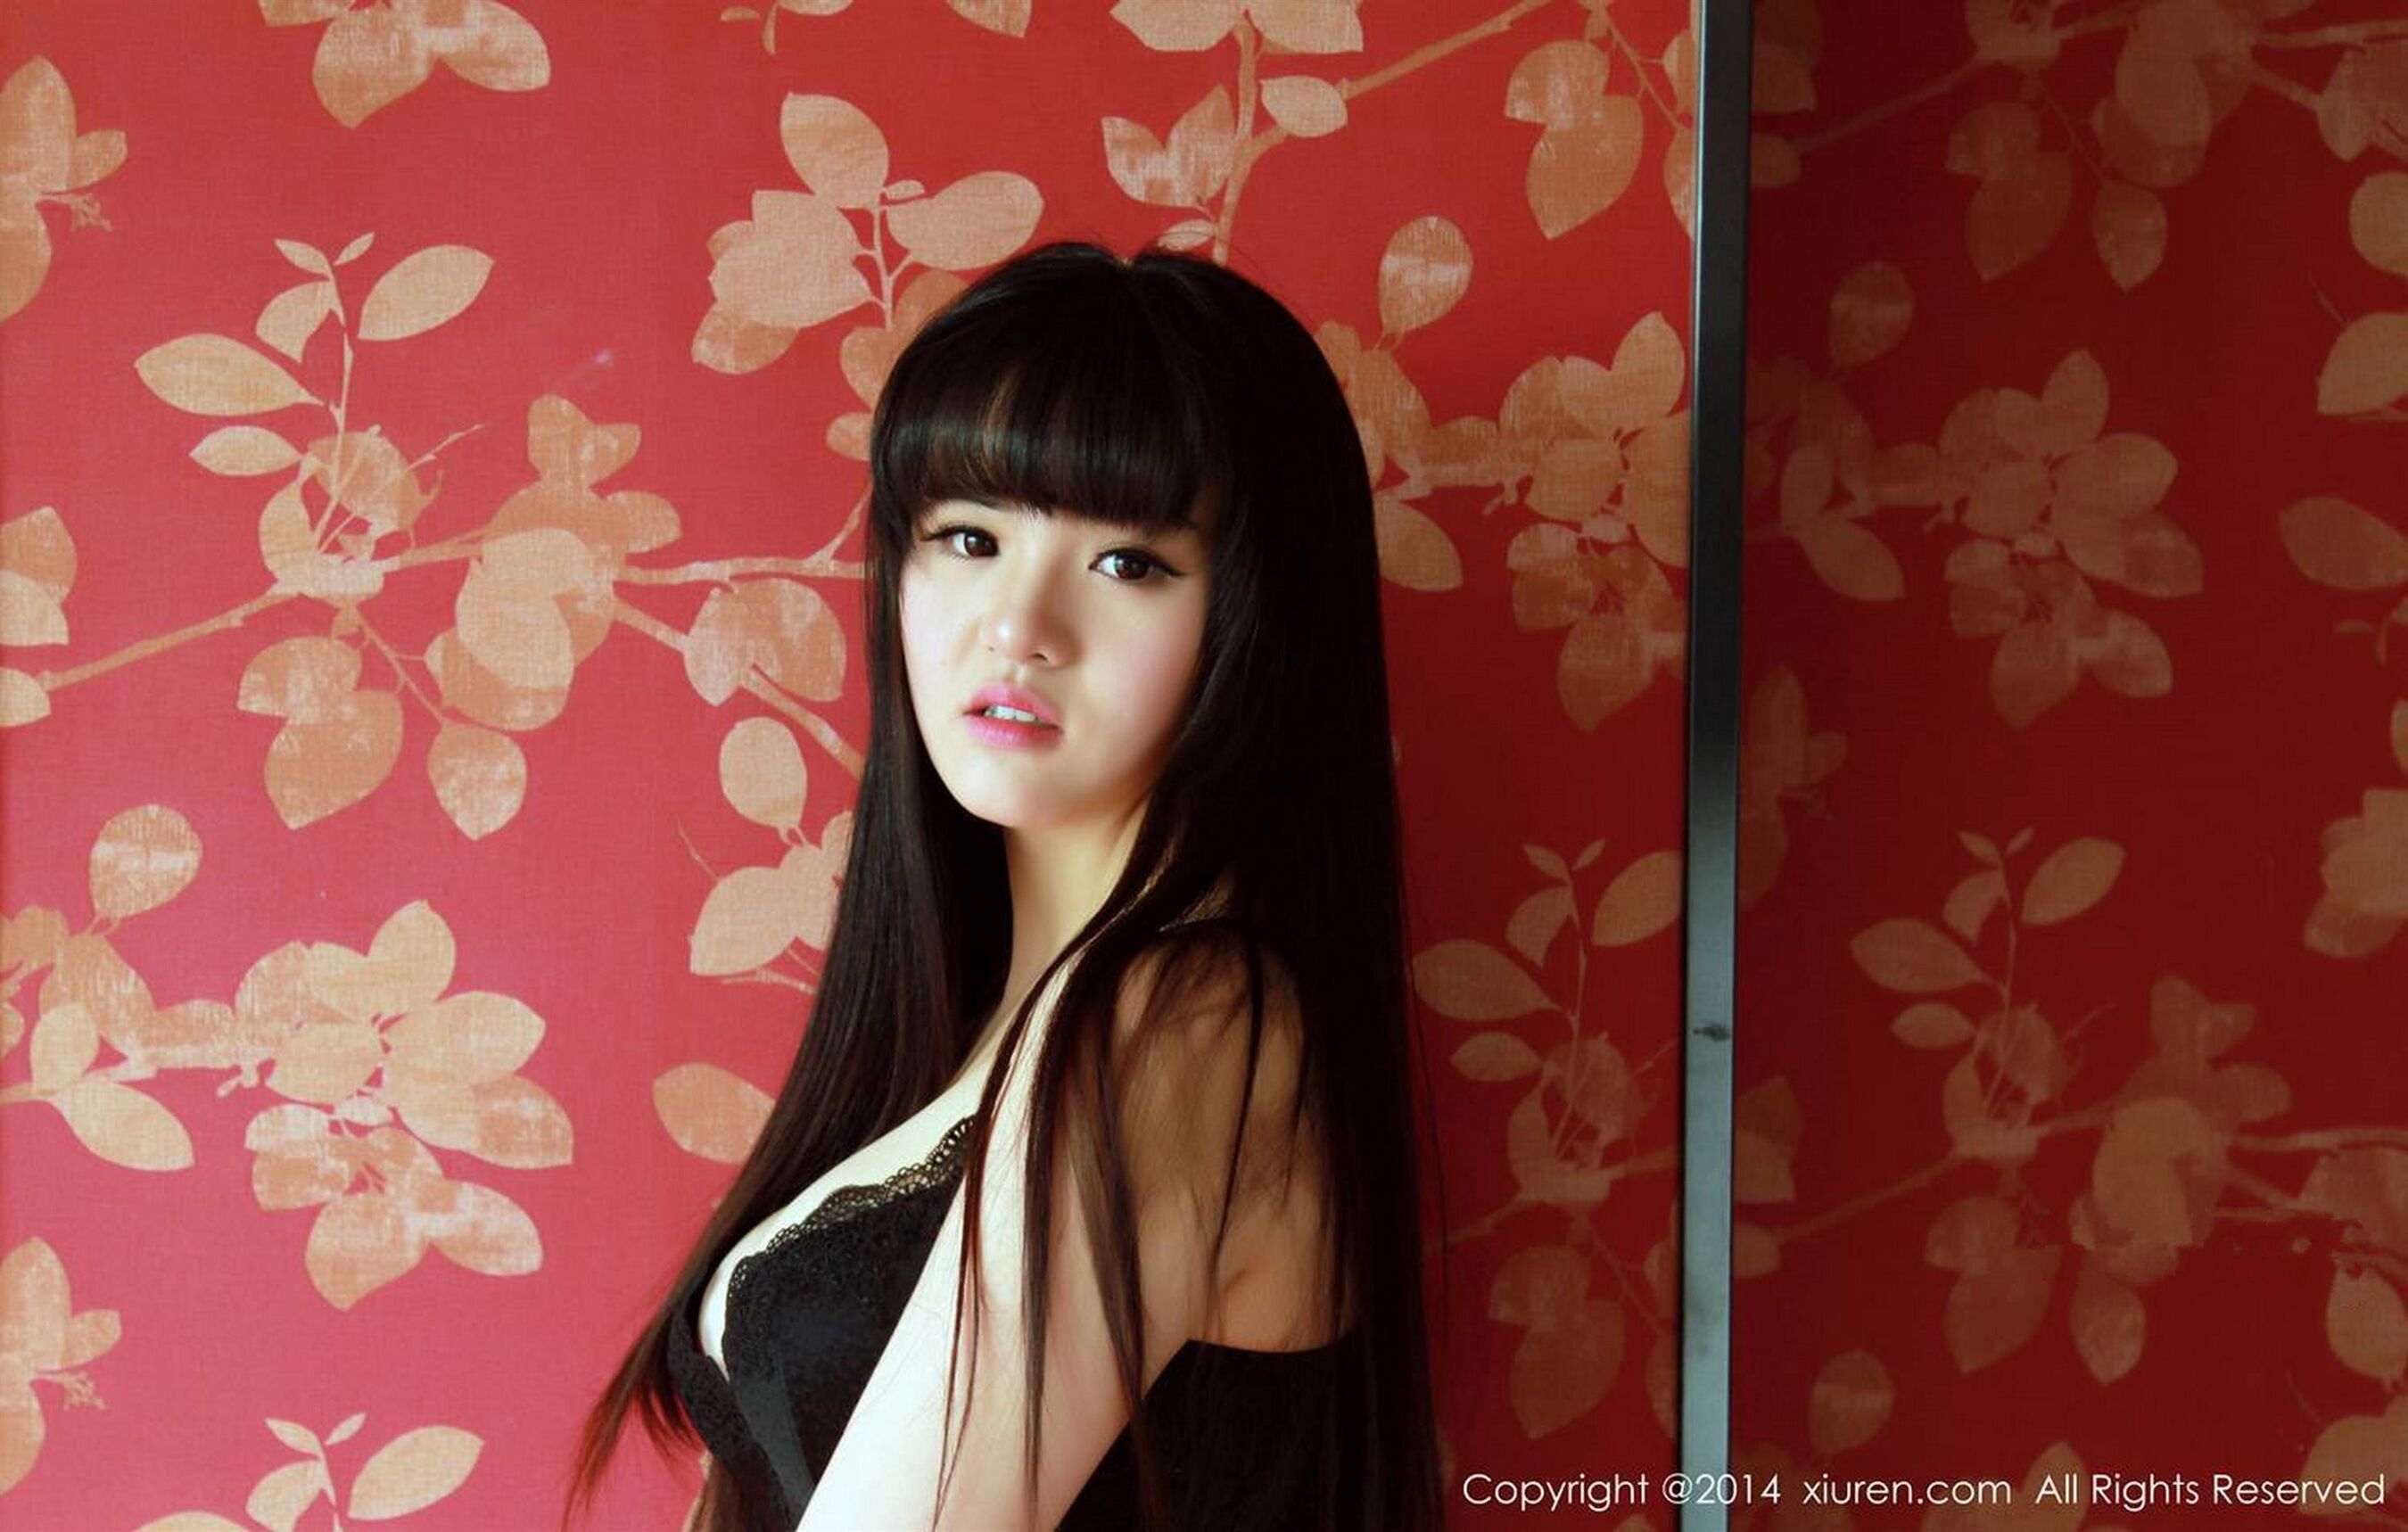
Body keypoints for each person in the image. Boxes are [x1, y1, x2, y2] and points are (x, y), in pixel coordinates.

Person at [561, 239, 1447, 1531]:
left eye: (1129, 562)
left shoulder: (1186, 1025)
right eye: (968, 538)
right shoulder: (965, 1030)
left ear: (1257, 621)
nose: (1018, 626)